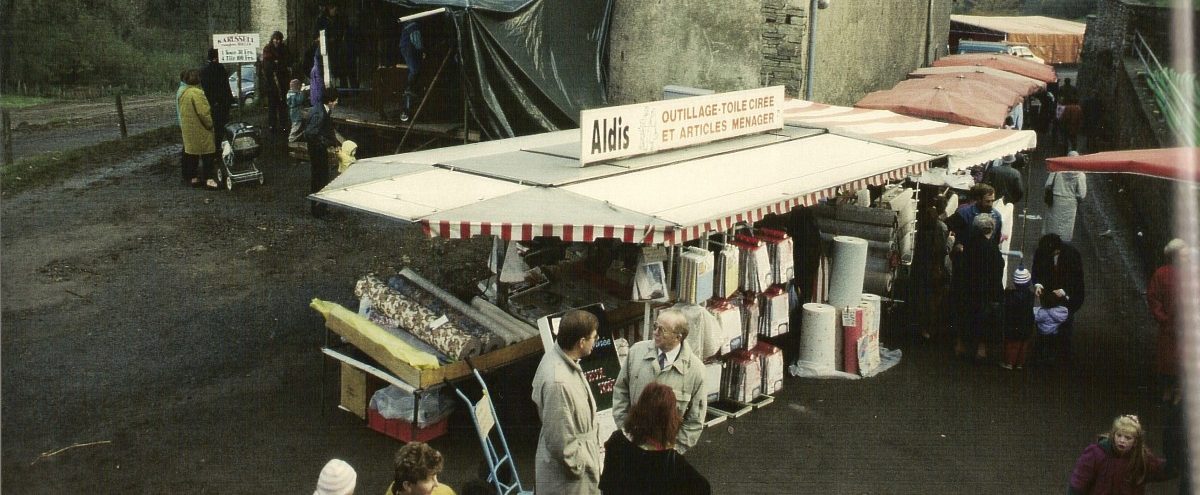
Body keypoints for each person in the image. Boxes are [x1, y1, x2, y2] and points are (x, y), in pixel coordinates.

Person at [612, 308, 706, 454]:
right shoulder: (636, 352)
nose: (655, 332)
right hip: (632, 445)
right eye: (655, 326)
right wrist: (625, 430)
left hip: (665, 453)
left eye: (662, 330)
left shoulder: (696, 371)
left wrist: (674, 450)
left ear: (678, 337)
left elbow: (695, 419)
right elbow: (620, 391)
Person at [531, 309, 602, 494]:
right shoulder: (558, 382)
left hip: (575, 467)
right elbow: (560, 440)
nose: (597, 339)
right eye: (594, 337)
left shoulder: (561, 359)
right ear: (581, 342)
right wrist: (581, 467)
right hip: (568, 481)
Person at [599, 383, 712, 495]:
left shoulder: (616, 440)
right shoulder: (672, 462)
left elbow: (606, 486)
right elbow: (704, 488)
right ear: (669, 418)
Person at [1068, 415, 1168, 494]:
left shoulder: (1141, 458)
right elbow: (1078, 484)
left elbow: (1163, 470)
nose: (1122, 440)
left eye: (1128, 438)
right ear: (1113, 435)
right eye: (1119, 435)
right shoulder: (1095, 453)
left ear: (1135, 442)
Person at [952, 213, 1004, 362]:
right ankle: (981, 350)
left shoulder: (969, 244)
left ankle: (961, 345)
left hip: (967, 287)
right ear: (991, 229)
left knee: (965, 315)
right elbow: (998, 269)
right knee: (984, 319)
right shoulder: (992, 248)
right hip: (985, 289)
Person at [1031, 233, 1086, 364]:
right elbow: (1036, 270)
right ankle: (1044, 351)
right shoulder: (1042, 251)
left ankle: (1063, 353)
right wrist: (1038, 284)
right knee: (1047, 322)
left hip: (1068, 295)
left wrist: (1064, 291)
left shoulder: (1072, 255)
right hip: (1049, 293)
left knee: (1066, 322)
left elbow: (1076, 279)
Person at [1147, 238, 1186, 404]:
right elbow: (1154, 298)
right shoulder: (1161, 274)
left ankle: (1178, 390)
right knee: (1169, 362)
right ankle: (1169, 388)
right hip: (1169, 327)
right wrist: (1163, 318)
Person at [910, 198, 950, 340]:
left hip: (921, 266)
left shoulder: (923, 228)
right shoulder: (941, 228)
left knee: (920, 296)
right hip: (934, 267)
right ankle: (928, 328)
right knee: (933, 299)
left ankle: (919, 327)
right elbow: (942, 250)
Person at [178, 69, 219, 189]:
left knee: (192, 154)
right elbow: (203, 113)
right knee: (207, 154)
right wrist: (210, 124)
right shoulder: (197, 93)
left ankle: (194, 178)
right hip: (200, 130)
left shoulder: (183, 93)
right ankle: (209, 180)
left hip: (188, 130)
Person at [304, 87, 342, 218]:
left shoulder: (322, 109)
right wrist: (325, 143)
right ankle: (318, 211)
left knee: (321, 178)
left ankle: (320, 207)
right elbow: (310, 133)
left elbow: (326, 129)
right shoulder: (320, 113)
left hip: (318, 149)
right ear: (330, 101)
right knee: (319, 179)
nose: (336, 103)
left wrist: (333, 143)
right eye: (336, 100)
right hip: (317, 150)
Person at [1043, 151, 1088, 242]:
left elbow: (1047, 185)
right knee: (1066, 225)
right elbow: (1082, 194)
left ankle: (1050, 242)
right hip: (1070, 202)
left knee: (1053, 223)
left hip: (1056, 200)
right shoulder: (1080, 175)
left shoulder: (1056, 170)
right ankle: (1063, 243)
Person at [999, 267, 1035, 370]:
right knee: (1023, 345)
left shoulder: (1011, 296)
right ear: (1028, 282)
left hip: (1013, 325)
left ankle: (1009, 363)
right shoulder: (1031, 296)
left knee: (1012, 344)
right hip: (1027, 324)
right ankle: (1020, 363)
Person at [387, 442, 454, 495]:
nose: (436, 484)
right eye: (429, 480)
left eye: (435, 476)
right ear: (407, 485)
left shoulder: (446, 492)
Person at [199, 48, 233, 151]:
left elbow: (205, 89)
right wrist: (230, 100)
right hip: (222, 103)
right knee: (221, 127)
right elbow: (226, 86)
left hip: (211, 103)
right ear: (217, 57)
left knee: (212, 127)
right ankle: (218, 148)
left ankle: (212, 148)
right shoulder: (220, 68)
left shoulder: (203, 70)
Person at [262, 31, 291, 133]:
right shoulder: (267, 49)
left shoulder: (284, 48)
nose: (277, 41)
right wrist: (276, 63)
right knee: (272, 105)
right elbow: (267, 66)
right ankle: (272, 125)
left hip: (282, 82)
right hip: (271, 82)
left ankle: (283, 124)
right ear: (272, 39)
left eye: (278, 39)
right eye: (275, 39)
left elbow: (287, 62)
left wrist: (277, 63)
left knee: (282, 104)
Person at [1032, 288, 1070, 366]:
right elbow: (1066, 306)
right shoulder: (1063, 311)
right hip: (1054, 332)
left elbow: (1035, 318)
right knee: (1052, 347)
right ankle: (1051, 360)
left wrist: (1037, 308)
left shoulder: (1043, 313)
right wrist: (1065, 296)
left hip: (1042, 332)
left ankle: (1039, 360)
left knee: (1040, 346)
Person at [287, 78, 306, 143]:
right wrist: (302, 92)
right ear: (298, 86)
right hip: (296, 111)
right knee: (296, 125)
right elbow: (300, 100)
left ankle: (295, 136)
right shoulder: (295, 94)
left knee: (295, 124)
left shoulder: (289, 93)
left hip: (292, 111)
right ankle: (291, 138)